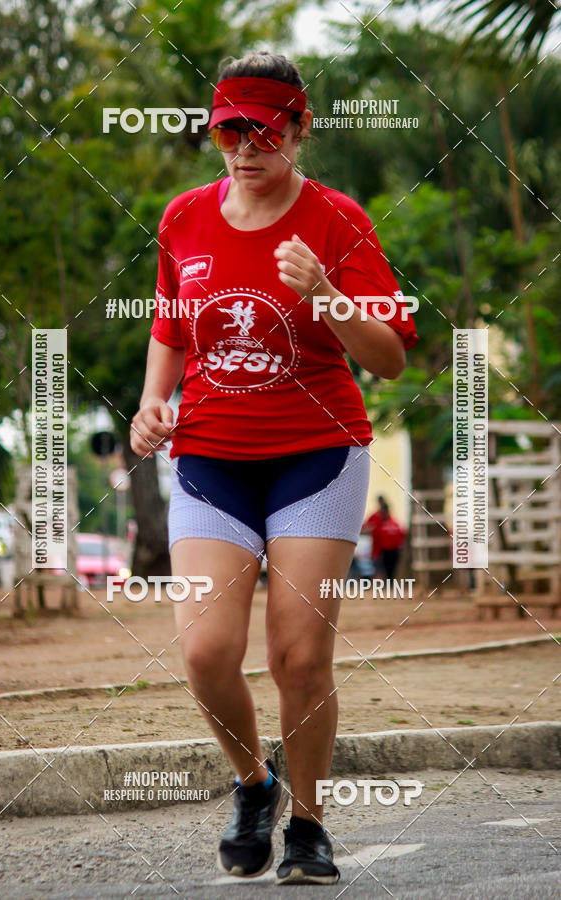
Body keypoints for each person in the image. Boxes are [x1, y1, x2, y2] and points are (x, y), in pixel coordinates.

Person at [130, 51, 418, 885]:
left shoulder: (338, 220)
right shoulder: (184, 218)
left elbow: (390, 358)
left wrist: (326, 292)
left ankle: (310, 825)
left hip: (317, 456)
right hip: (211, 456)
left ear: (299, 129)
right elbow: (171, 326)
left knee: (298, 656)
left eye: (263, 132)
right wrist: (152, 403)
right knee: (205, 651)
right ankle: (254, 784)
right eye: (230, 133)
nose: (246, 149)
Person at [363, 496, 407, 582]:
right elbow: (368, 529)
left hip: (391, 551)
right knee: (380, 569)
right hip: (380, 551)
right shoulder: (376, 520)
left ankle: (388, 583)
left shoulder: (394, 523)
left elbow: (400, 537)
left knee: (389, 570)